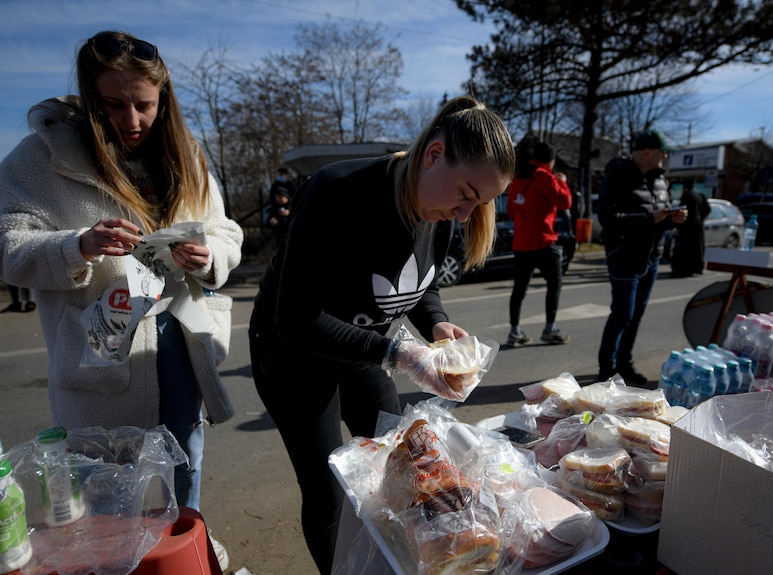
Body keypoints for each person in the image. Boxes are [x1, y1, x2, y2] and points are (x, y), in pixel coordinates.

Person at [0, 30, 242, 572]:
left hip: (181, 337)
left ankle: (185, 547)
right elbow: (7, 246)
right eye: (113, 105)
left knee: (184, 459)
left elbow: (226, 230)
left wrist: (208, 256)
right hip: (99, 347)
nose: (131, 121)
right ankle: (121, 563)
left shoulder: (186, 151)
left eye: (144, 105)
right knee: (108, 482)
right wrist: (76, 245)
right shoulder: (40, 158)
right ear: (88, 96)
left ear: (165, 100)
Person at [248, 95, 515, 574]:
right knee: (329, 488)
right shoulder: (338, 191)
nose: (463, 215)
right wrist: (399, 354)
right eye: (465, 195)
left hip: (362, 353)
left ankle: (409, 561)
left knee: (413, 463)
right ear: (433, 155)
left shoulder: (442, 215)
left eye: (478, 206)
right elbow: (296, 317)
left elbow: (421, 284)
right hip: (293, 358)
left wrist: (434, 322)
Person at [595, 129, 687, 385]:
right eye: (663, 152)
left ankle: (625, 364)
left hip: (652, 258)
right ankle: (607, 368)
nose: (666, 156)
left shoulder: (660, 180)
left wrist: (672, 220)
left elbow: (658, 222)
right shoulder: (618, 175)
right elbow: (607, 219)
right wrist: (649, 219)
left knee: (636, 315)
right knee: (622, 313)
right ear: (648, 152)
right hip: (624, 255)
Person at [506, 142, 572, 346]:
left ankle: (515, 331)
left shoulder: (517, 178)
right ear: (550, 161)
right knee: (555, 284)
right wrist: (562, 182)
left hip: (521, 243)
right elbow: (565, 202)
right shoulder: (545, 177)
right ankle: (550, 329)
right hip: (544, 241)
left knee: (519, 289)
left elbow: (510, 210)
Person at [670, 180, 710, 277]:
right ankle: (696, 267)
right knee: (697, 248)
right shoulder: (700, 195)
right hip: (698, 226)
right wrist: (701, 218)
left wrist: (679, 226)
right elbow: (707, 209)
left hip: (687, 227)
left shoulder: (687, 195)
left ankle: (684, 269)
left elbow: (682, 211)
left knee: (685, 249)